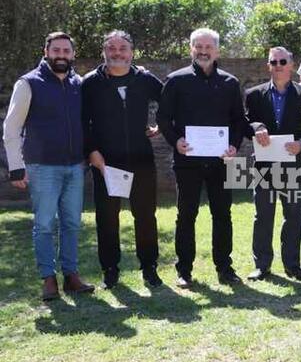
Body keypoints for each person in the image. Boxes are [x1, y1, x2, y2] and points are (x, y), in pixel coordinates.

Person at [3, 32, 94, 300]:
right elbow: (11, 127)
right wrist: (16, 167)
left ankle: (71, 276)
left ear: (73, 54)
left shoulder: (79, 83)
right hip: (41, 167)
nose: (61, 55)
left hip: (75, 166)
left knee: (72, 224)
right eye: (57, 50)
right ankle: (48, 279)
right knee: (44, 224)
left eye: (66, 51)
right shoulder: (28, 83)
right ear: (46, 52)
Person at [156, 28, 244, 288]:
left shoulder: (230, 82)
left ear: (217, 51)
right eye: (198, 46)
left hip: (222, 161)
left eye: (208, 47)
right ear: (191, 49)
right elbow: (163, 118)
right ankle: (184, 270)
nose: (203, 51)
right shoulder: (175, 80)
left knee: (223, 214)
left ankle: (225, 268)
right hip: (187, 161)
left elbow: (239, 120)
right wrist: (176, 141)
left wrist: (234, 146)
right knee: (186, 215)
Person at [81, 30, 163, 289]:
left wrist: (161, 124)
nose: (117, 53)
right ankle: (110, 269)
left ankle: (149, 267)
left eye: (123, 48)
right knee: (107, 217)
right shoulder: (90, 83)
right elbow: (82, 121)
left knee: (146, 215)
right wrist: (91, 151)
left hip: (141, 158)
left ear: (132, 53)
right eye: (112, 49)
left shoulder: (145, 79)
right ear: (104, 52)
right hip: (106, 161)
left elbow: (171, 102)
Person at [244, 46, 301, 281]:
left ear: (291, 65)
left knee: (293, 216)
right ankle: (262, 266)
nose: (278, 66)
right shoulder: (254, 94)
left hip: (294, 165)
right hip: (264, 166)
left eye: (282, 61)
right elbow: (245, 122)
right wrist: (256, 127)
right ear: (268, 66)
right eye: (273, 62)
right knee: (263, 216)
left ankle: (292, 265)